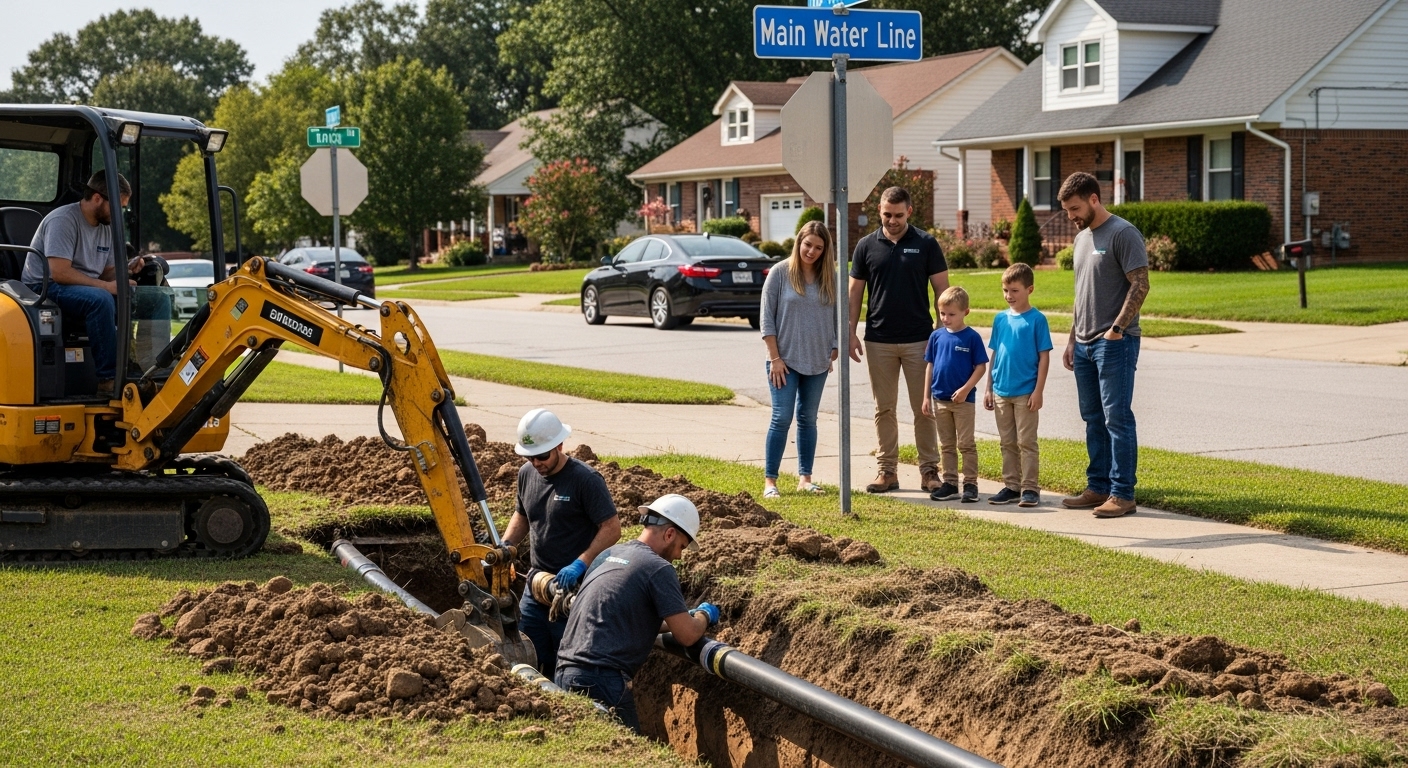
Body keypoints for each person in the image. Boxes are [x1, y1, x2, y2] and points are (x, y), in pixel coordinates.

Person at [554, 494, 718, 732]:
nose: (679, 555)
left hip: (565, 672)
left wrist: (678, 617)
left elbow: (627, 615)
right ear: (670, 533)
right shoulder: (658, 568)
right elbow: (688, 636)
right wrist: (704, 615)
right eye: (682, 546)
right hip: (600, 680)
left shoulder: (608, 555)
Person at [22, 171, 171, 395]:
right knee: (100, 299)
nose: (121, 213)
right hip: (45, 288)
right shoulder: (63, 220)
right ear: (98, 198)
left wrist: (127, 269)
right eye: (118, 206)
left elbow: (106, 272)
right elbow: (60, 272)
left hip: (84, 287)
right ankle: (109, 378)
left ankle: (151, 367)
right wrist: (107, 287)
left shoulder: (107, 227)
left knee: (155, 298)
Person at [1057, 171, 1150, 519]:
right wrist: (1071, 339)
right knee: (1093, 417)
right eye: (1067, 210)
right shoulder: (1083, 238)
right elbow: (1083, 295)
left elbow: (1140, 284)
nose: (1071, 216)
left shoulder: (1123, 233)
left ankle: (1123, 493)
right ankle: (1098, 487)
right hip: (1082, 344)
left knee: (1117, 418)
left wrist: (1116, 329)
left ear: (1094, 199)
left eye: (1075, 208)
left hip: (1114, 343)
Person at [501, 408, 622, 675]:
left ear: (559, 445)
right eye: (529, 457)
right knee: (526, 652)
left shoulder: (585, 480)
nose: (536, 463)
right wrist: (506, 545)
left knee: (566, 660)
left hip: (572, 590)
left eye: (542, 456)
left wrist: (581, 563)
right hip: (536, 585)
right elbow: (522, 515)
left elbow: (612, 528)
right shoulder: (526, 474)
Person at [848, 186, 950, 494]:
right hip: (879, 339)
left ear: (909, 212)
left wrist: (943, 334)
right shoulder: (866, 246)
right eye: (886, 215)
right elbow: (855, 294)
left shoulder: (926, 243)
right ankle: (887, 471)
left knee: (924, 408)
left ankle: (929, 471)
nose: (892, 221)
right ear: (879, 211)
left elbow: (942, 292)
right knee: (884, 409)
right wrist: (850, 332)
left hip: (921, 339)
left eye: (898, 215)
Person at [760, 220, 838, 498]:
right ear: (799, 242)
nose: (812, 251)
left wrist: (834, 346)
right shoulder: (780, 273)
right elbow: (766, 317)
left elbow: (837, 315)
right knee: (782, 417)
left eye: (819, 247)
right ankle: (771, 482)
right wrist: (775, 357)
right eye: (808, 244)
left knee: (808, 418)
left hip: (817, 362)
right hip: (784, 360)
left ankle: (805, 478)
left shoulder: (830, 276)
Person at [983, 263, 1053, 508]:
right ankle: (1012, 486)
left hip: (1026, 393)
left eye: (1014, 290)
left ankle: (1030, 488)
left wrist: (1038, 391)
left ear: (1029, 289)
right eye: (1005, 290)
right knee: (1007, 442)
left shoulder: (1037, 320)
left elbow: (1044, 356)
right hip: (1001, 390)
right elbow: (995, 354)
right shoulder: (1000, 319)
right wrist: (989, 387)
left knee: (1027, 442)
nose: (1008, 296)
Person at [921, 287, 988, 503]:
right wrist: (926, 397)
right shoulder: (936, 336)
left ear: (965, 312)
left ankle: (970, 484)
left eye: (951, 314)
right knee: (946, 444)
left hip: (963, 402)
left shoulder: (972, 338)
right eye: (942, 314)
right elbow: (930, 366)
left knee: (966, 444)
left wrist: (966, 389)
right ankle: (950, 483)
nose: (946, 318)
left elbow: (981, 367)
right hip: (939, 400)